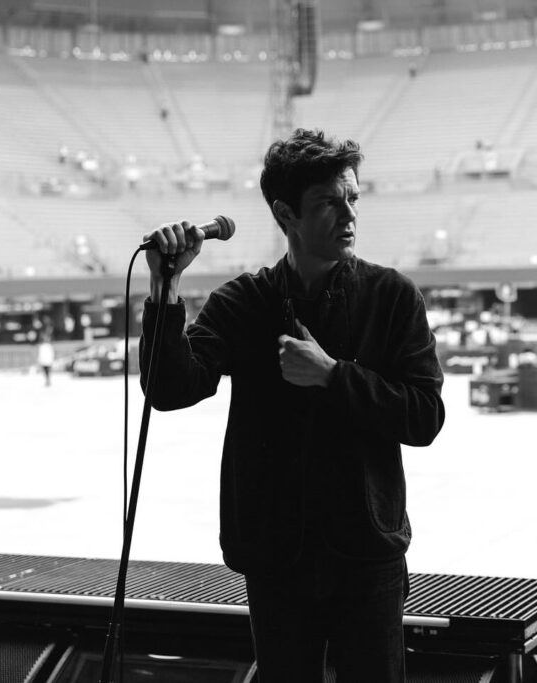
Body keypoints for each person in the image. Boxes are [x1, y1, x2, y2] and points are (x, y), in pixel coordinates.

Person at [139, 128, 445, 683]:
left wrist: (334, 377)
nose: (348, 213)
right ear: (286, 214)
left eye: (352, 197)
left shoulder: (393, 296)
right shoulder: (244, 302)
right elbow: (169, 390)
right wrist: (166, 288)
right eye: (329, 202)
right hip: (276, 556)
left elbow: (426, 417)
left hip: (366, 555)